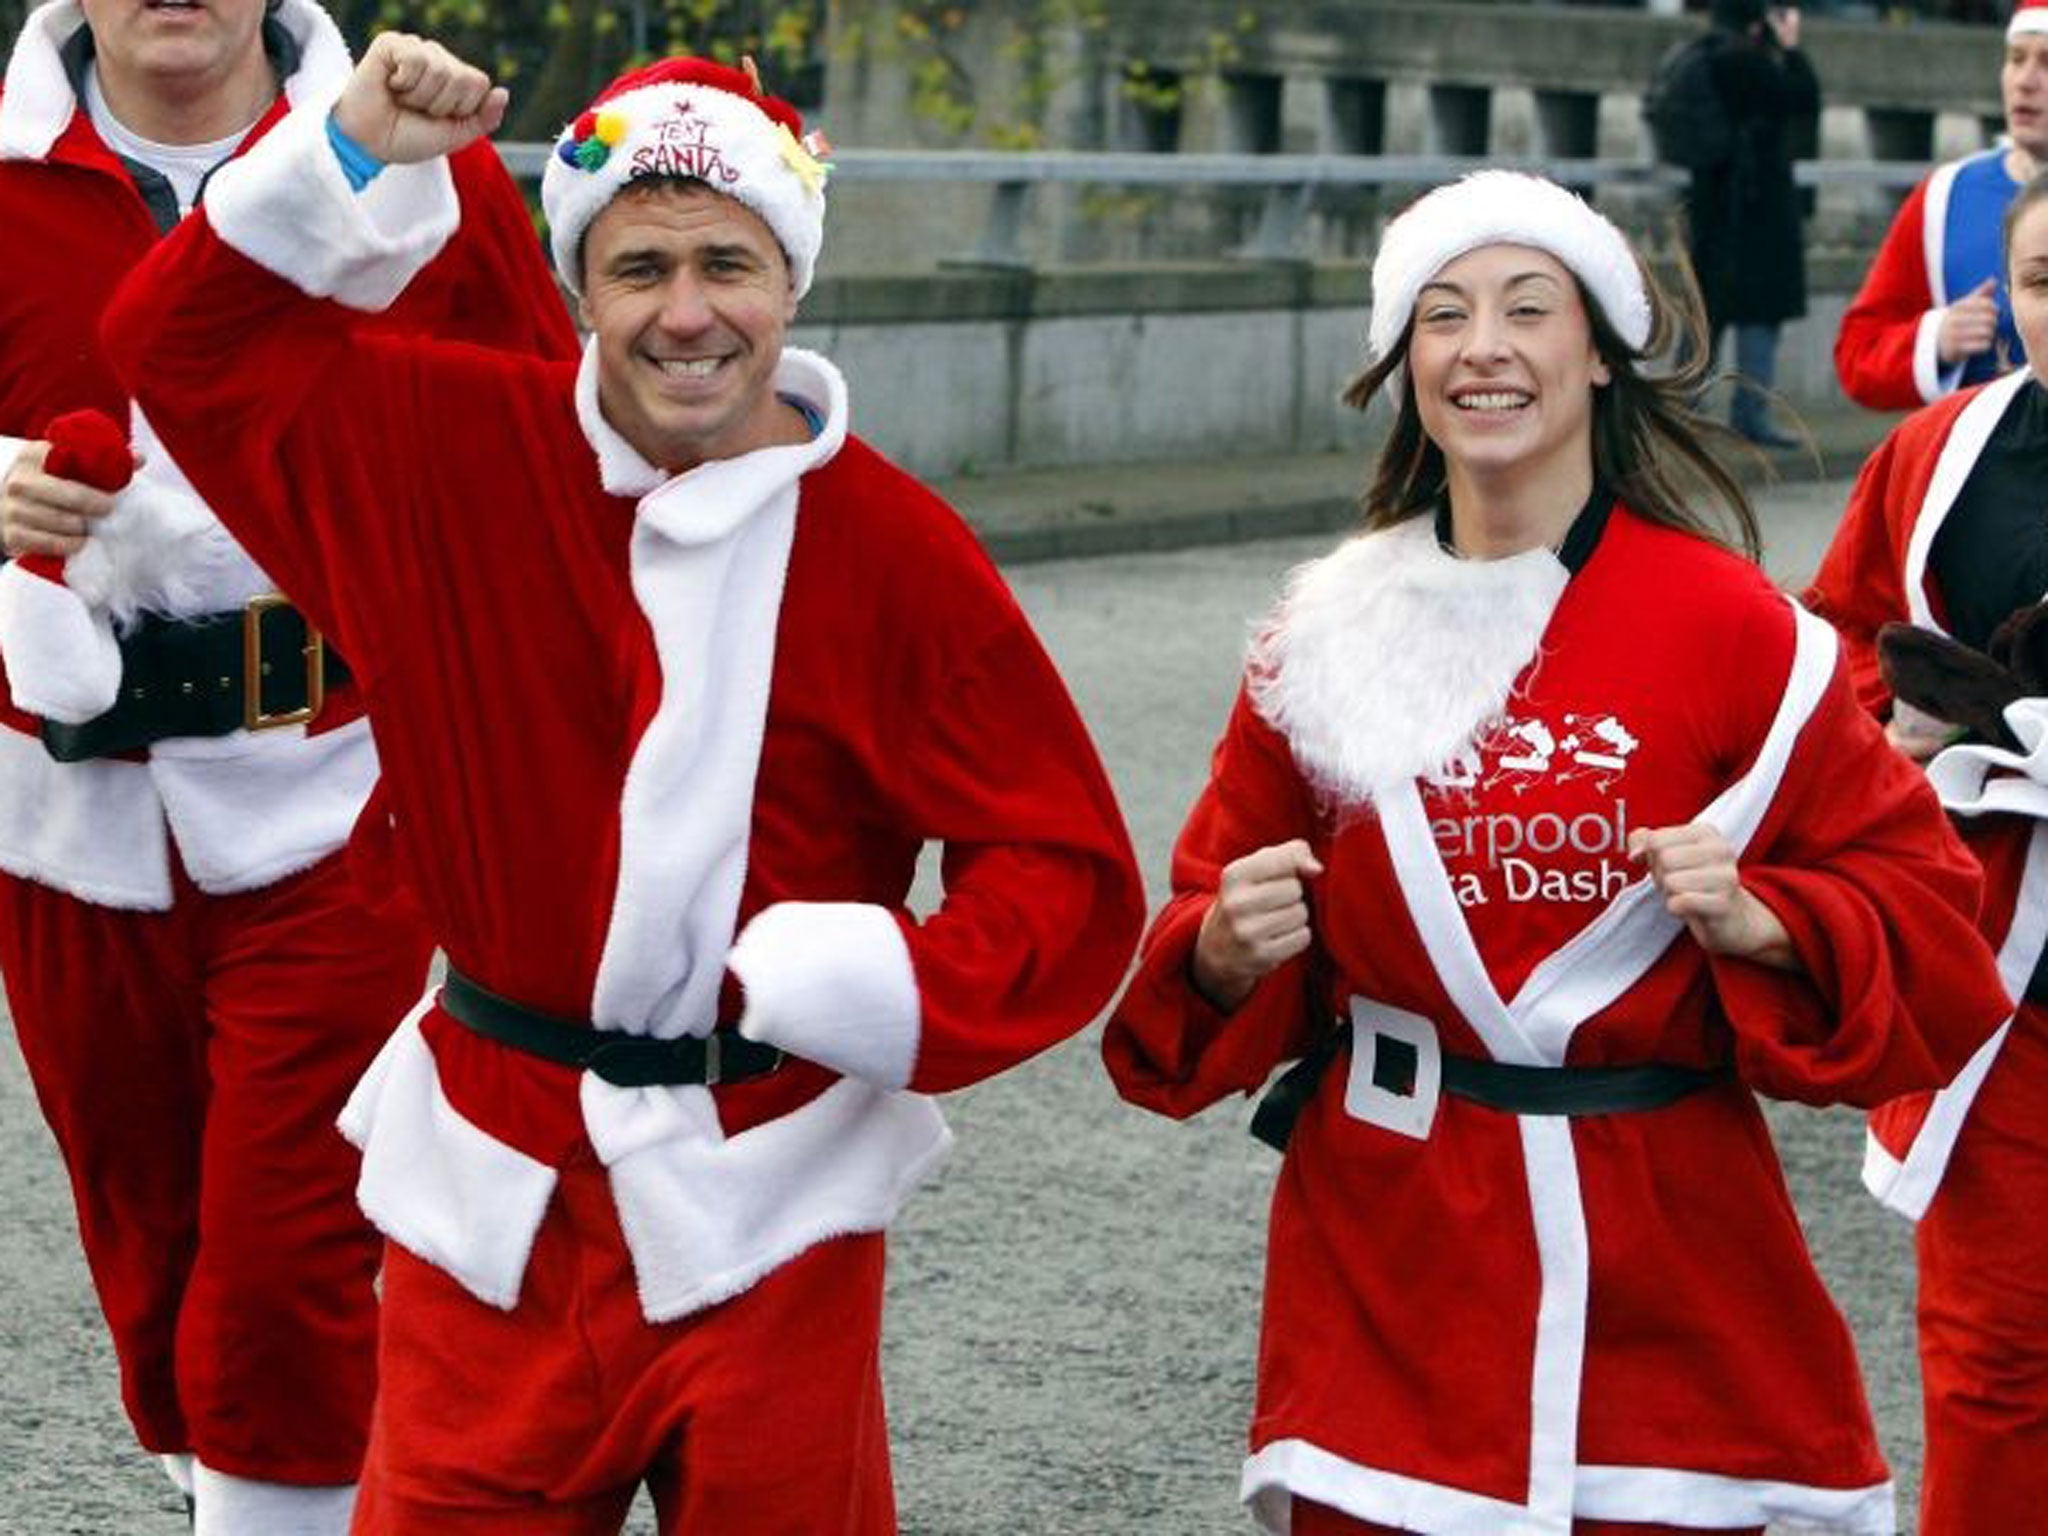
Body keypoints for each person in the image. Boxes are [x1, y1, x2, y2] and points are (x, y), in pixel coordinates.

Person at [101, 34, 1145, 1534]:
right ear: (578, 291)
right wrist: (340, 150)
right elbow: (179, 348)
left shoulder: (898, 549)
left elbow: (1065, 867)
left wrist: (898, 986)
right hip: (494, 1184)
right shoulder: (440, 450)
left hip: (773, 1194)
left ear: (792, 283)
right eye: (638, 267)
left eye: (730, 262)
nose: (687, 313)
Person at [1101, 169, 2011, 1536]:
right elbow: (1194, 947)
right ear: (1403, 366)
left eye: (1530, 310)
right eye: (1442, 316)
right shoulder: (1318, 636)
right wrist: (1221, 951)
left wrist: (1772, 923)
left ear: (1599, 352)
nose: (1484, 348)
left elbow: (1933, 925)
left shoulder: (1736, 632)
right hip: (1389, 1265)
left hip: (1668, 1269)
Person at [0, 0, 576, 1530]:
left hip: (339, 803)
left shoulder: (416, 159)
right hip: (63, 823)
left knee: (287, 1263)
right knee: (158, 1264)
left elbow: (552, 449)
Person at [1806, 168, 2048, 1535]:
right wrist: (1887, 725)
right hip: (2005, 974)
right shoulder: (1943, 453)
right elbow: (1833, 631)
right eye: (2043, 281)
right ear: (2009, 299)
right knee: (1996, 1356)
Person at [1834, 0, 2048, 411]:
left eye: (2047, 62)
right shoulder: (1946, 194)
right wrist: (1936, 339)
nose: (2024, 81)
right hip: (1987, 469)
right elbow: (1857, 355)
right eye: (2016, 58)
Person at [1683, 0, 1819, 447]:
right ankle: (1750, 413)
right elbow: (1803, 96)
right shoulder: (1747, 61)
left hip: (1715, 203)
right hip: (1756, 206)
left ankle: (1682, 408)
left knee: (1708, 308)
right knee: (1760, 312)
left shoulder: (1707, 53)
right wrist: (1792, 48)